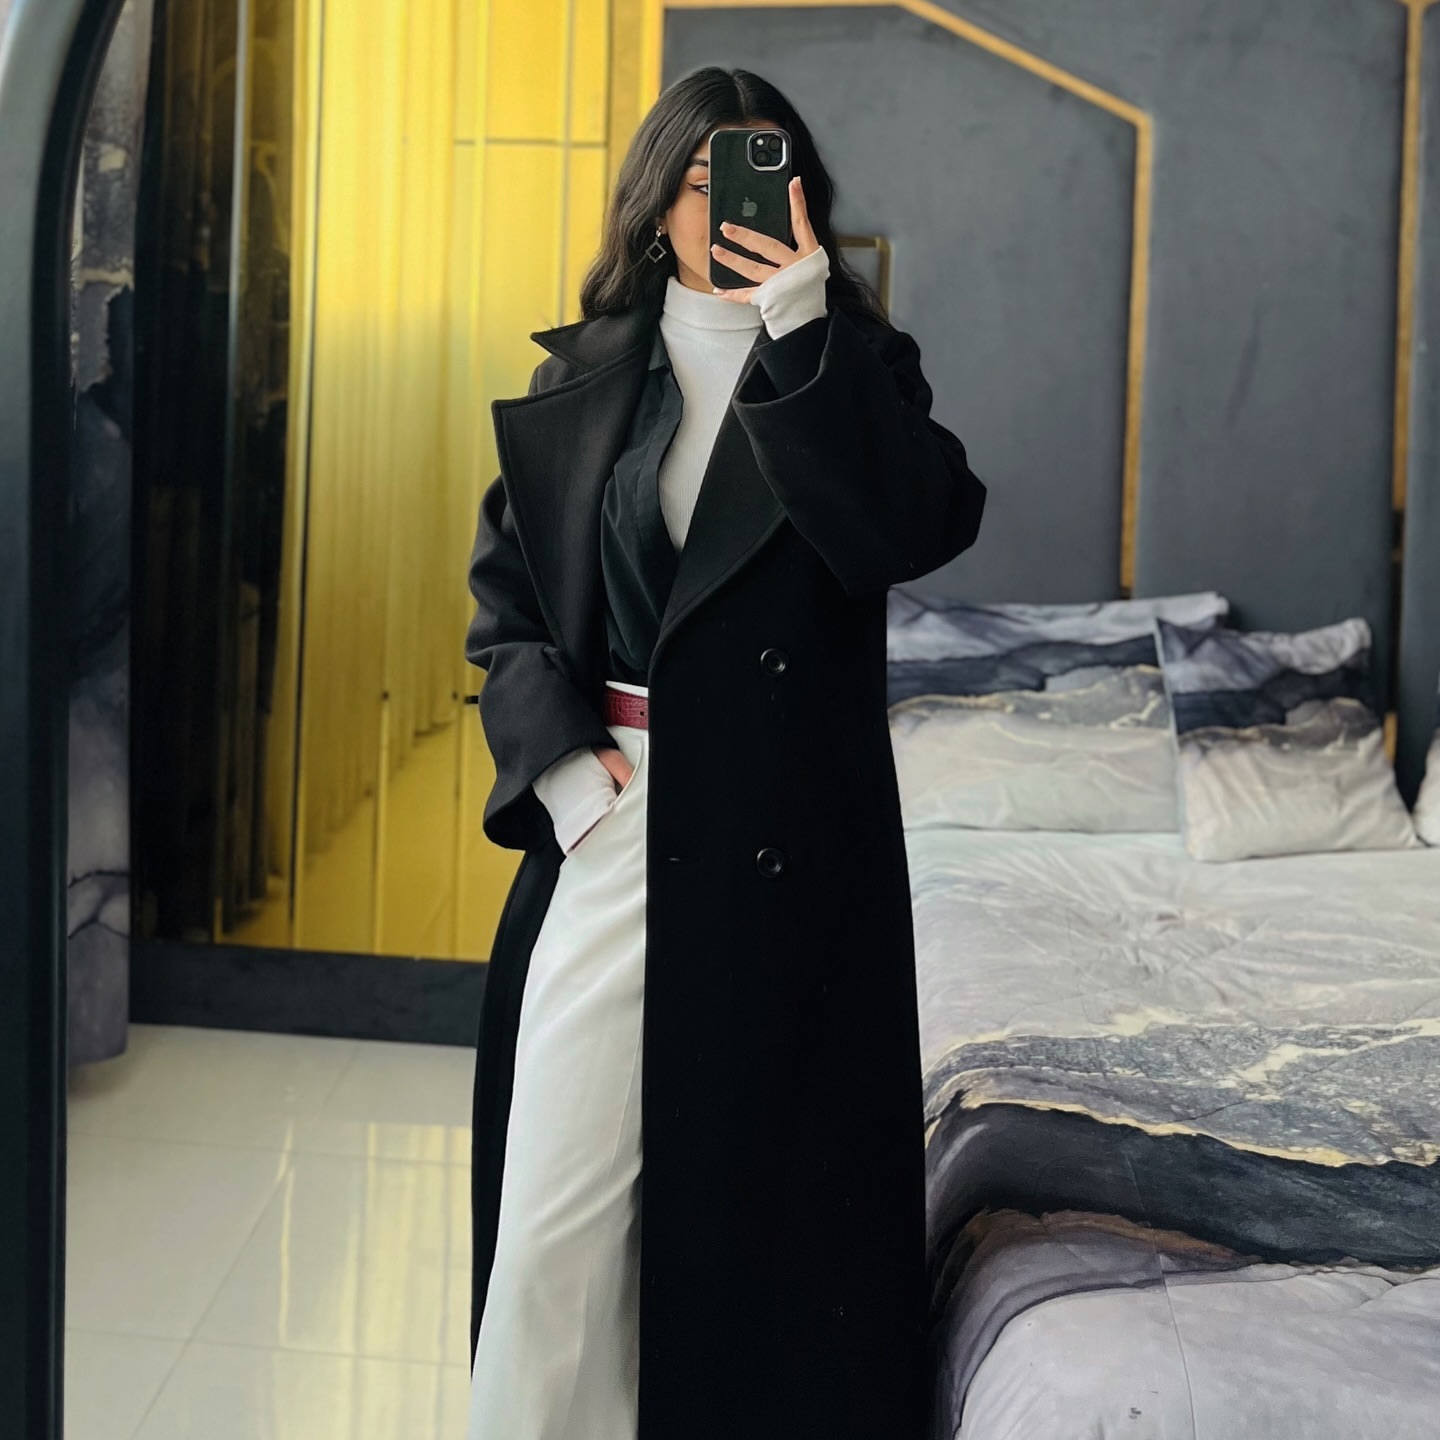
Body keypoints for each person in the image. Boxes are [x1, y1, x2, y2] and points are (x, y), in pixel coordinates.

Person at [464, 65, 985, 1440]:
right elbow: (508, 610)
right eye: (699, 181)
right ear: (657, 203)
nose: (726, 208)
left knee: (753, 1243)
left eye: (760, 178)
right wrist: (566, 777)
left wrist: (801, 323)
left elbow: (906, 529)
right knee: (554, 1223)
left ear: (801, 197)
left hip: (787, 843)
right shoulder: (583, 376)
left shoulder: (853, 363)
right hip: (619, 820)